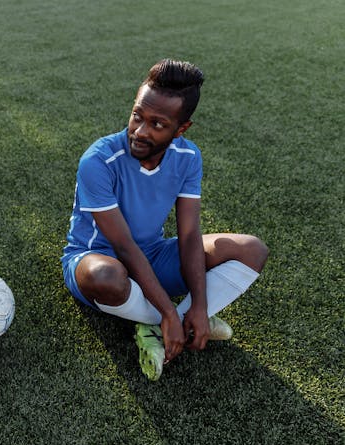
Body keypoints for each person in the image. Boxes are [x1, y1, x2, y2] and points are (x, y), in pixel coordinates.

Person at [61, 59, 268, 381]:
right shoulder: (98, 160)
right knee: (106, 276)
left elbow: (188, 237)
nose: (140, 131)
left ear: (181, 128)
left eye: (157, 124)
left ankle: (184, 318)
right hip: (95, 261)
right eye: (137, 116)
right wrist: (168, 312)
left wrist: (199, 304)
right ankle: (163, 321)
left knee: (251, 249)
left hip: (153, 255)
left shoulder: (188, 157)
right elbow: (123, 245)